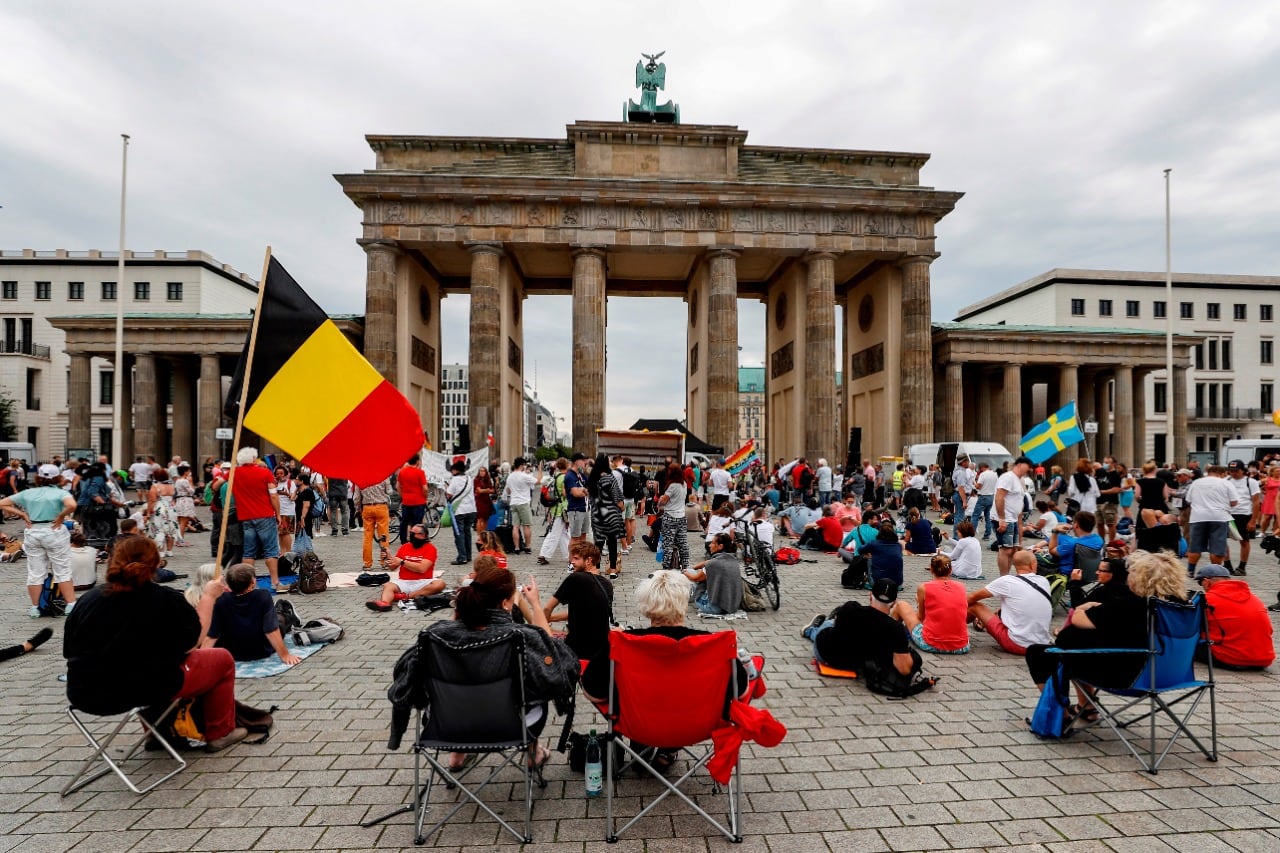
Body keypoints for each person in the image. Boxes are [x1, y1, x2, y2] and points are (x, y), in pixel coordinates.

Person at [391, 557, 578, 773]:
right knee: (532, 686)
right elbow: (558, 659)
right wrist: (535, 603)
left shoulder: (434, 636)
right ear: (506, 603)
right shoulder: (520, 636)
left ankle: (457, 755)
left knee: (463, 678)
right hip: (511, 726)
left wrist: (457, 616)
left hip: (446, 726)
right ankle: (533, 754)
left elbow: (403, 679)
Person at [63, 536, 249, 751]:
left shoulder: (88, 599)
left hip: (83, 693)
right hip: (140, 691)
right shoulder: (164, 598)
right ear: (155, 564)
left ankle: (157, 733)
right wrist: (208, 597)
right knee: (221, 658)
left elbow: (69, 650)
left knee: (148, 666)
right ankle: (220, 732)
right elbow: (192, 644)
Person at [1025, 550, 1188, 727]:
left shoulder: (1128, 604)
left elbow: (1070, 631)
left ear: (1140, 578)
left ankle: (1060, 717)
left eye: (1132, 573)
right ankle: (1086, 708)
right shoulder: (1183, 608)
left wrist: (1083, 608)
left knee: (1043, 653)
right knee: (1079, 647)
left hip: (1128, 676)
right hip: (1173, 674)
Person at [802, 578, 920, 680]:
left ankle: (811, 630)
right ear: (894, 603)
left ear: (870, 596)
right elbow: (904, 669)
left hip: (825, 654)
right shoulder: (896, 629)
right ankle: (818, 627)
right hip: (855, 665)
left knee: (830, 623)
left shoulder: (851, 608)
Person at [0, 463, 77, 617]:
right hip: (53, 530)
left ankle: (35, 607)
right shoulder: (60, 493)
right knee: (62, 569)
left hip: (33, 531)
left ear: (39, 477)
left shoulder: (28, 493)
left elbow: (2, 503)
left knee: (35, 572)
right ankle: (70, 605)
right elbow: (72, 505)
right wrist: (61, 516)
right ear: (58, 477)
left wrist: (22, 515)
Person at [204, 563, 301, 665]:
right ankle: (286, 613)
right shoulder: (262, 595)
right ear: (252, 583)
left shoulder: (221, 599)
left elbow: (212, 634)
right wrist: (285, 655)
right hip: (260, 650)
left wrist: (200, 659)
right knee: (279, 622)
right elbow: (271, 630)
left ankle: (281, 612)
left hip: (231, 652)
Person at [966, 549, 1054, 655]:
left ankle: (951, 628)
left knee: (975, 606)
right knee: (1011, 605)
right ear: (1033, 564)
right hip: (1041, 644)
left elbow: (971, 597)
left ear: (1014, 565)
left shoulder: (1007, 581)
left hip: (1017, 644)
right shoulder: (1044, 581)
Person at [1194, 565, 1275, 670]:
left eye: (1200, 583)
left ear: (1206, 581)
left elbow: (1190, 627)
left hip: (1233, 659)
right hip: (1264, 659)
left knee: (1186, 645)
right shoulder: (1254, 598)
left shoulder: (1208, 600)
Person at [544, 541, 615, 660]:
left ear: (589, 561)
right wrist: (551, 618)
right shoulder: (607, 585)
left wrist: (543, 623)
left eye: (576, 559)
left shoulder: (576, 578)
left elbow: (547, 608)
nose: (572, 562)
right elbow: (583, 612)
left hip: (576, 649)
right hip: (601, 651)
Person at [891, 554, 970, 654]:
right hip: (961, 646)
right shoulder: (961, 586)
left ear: (931, 569)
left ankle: (887, 636)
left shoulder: (924, 587)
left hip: (932, 644)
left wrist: (920, 604)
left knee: (901, 605)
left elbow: (921, 618)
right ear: (950, 570)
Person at [230, 447, 282, 590]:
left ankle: (248, 583)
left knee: (249, 552)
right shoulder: (265, 472)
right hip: (264, 514)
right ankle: (275, 582)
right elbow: (273, 495)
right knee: (271, 550)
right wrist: (278, 513)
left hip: (246, 516)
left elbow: (217, 485)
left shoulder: (234, 473)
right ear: (253, 459)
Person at [366, 523, 446, 612]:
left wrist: (402, 562)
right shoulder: (405, 547)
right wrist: (388, 558)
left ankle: (406, 596)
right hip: (404, 581)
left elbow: (422, 568)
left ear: (423, 536)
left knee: (440, 584)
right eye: (410, 533)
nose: (410, 535)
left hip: (423, 581)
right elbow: (392, 567)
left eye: (413, 534)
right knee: (388, 585)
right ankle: (384, 603)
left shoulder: (431, 548)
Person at [1185, 464, 1239, 574]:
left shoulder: (1196, 482)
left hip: (1198, 517)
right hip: (1219, 517)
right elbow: (1234, 502)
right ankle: (1214, 572)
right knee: (1217, 548)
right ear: (1223, 473)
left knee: (1195, 546)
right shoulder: (1226, 483)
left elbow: (1188, 500)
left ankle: (1190, 571)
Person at [586, 453, 625, 578]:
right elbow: (617, 498)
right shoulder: (610, 478)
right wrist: (622, 506)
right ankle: (613, 570)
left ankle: (596, 569)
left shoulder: (592, 479)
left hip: (597, 515)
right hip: (611, 515)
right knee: (612, 542)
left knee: (598, 543)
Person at [684, 532, 743, 615]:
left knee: (690, 574)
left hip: (712, 608)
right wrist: (694, 567)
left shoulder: (713, 564)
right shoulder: (732, 560)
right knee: (693, 571)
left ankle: (687, 598)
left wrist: (685, 572)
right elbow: (707, 562)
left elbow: (695, 578)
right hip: (731, 606)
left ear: (720, 546)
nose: (709, 545)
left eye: (712, 543)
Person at [995, 456, 1032, 575]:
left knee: (1014, 549)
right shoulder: (1008, 477)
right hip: (1005, 518)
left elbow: (1019, 502)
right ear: (1020, 464)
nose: (1029, 470)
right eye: (1028, 466)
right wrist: (1002, 519)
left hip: (1014, 519)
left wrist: (1020, 526)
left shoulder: (1019, 480)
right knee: (1006, 549)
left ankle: (1007, 576)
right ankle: (1003, 577)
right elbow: (999, 497)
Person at [1224, 460, 1261, 576]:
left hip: (1244, 514)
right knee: (1221, 540)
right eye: (1231, 471)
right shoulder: (1225, 481)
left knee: (1244, 541)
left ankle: (1242, 567)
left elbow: (1256, 502)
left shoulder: (1251, 482)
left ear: (1243, 471)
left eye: (1236, 471)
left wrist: (1253, 520)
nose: (1234, 473)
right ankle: (1227, 565)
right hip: (1227, 514)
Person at [657, 463, 690, 573]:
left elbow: (663, 501)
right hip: (681, 516)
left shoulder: (672, 486)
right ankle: (685, 567)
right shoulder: (684, 484)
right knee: (683, 544)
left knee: (668, 544)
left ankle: (666, 568)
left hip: (670, 517)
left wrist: (661, 499)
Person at [564, 453, 590, 548]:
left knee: (583, 535)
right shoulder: (570, 476)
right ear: (576, 461)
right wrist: (583, 491)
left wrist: (584, 490)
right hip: (576, 509)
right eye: (583, 460)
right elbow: (576, 493)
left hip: (585, 508)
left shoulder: (582, 475)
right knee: (575, 537)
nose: (585, 462)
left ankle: (581, 557)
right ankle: (572, 560)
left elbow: (591, 488)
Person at [273, 465, 297, 554]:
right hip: (278, 511)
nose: (279, 475)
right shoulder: (274, 483)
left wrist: (285, 493)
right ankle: (282, 551)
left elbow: (293, 497)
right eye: (277, 473)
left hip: (288, 511)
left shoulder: (290, 483)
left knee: (286, 532)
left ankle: (288, 552)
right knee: (280, 533)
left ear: (286, 474)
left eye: (281, 473)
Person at [173, 465, 198, 544]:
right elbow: (192, 491)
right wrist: (191, 482)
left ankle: (179, 539)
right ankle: (180, 540)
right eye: (188, 471)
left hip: (180, 500)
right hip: (186, 501)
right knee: (183, 522)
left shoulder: (177, 480)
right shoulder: (185, 481)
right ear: (185, 472)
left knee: (181, 522)